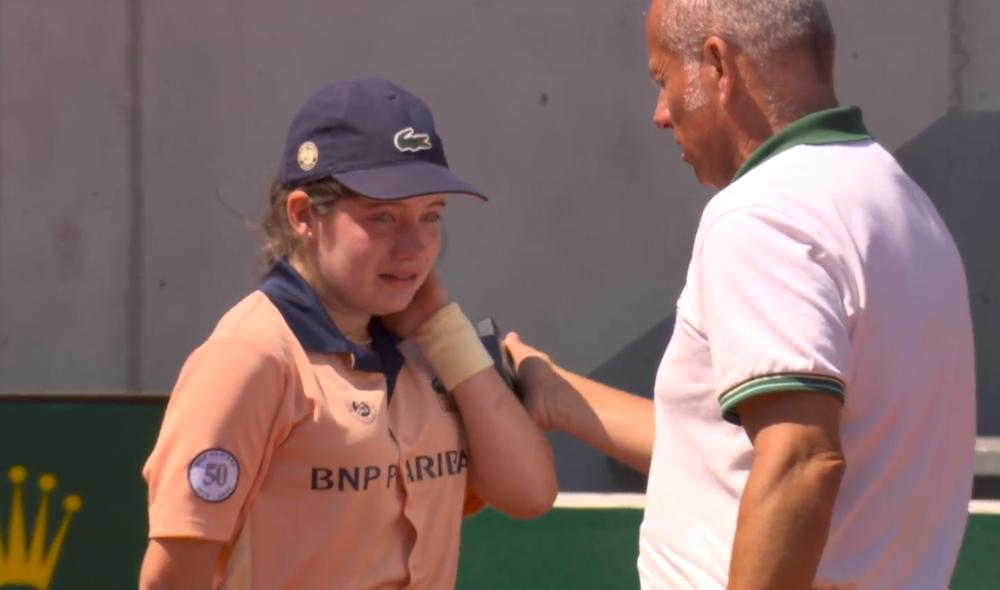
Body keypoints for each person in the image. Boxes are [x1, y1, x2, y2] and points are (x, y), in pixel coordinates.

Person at [505, 1, 976, 588]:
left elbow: (800, 463)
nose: (659, 113)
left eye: (663, 78)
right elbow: (729, 454)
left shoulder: (762, 214)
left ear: (717, 65)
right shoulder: (898, 201)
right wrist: (557, 391)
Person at [139, 78, 558, 590]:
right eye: (383, 217)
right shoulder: (250, 356)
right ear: (302, 216)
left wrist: (447, 330)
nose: (414, 247)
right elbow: (171, 579)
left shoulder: (432, 348)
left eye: (431, 217)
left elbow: (530, 495)